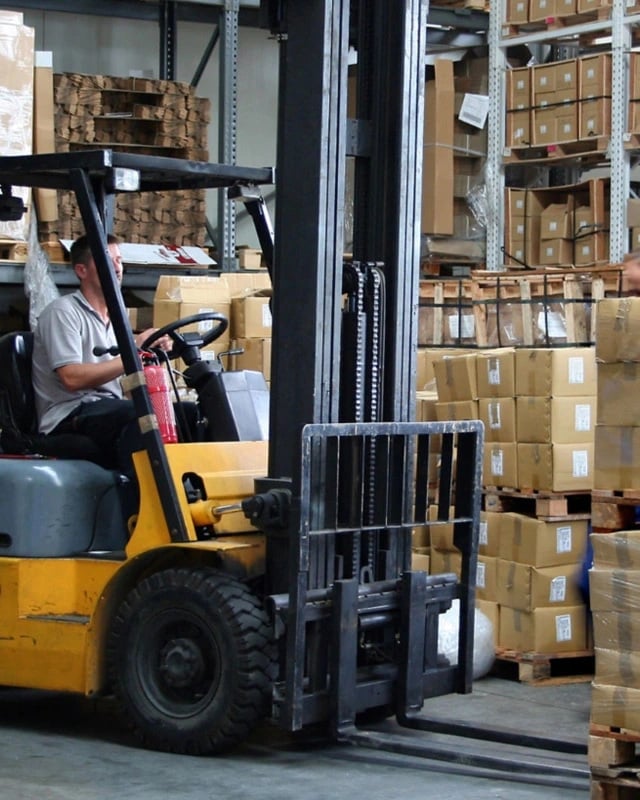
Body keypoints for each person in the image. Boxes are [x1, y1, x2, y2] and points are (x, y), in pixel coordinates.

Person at [32, 233, 170, 475]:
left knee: (186, 414)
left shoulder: (118, 319)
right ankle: (136, 503)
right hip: (70, 413)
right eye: (108, 261)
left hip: (106, 408)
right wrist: (134, 352)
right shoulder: (63, 312)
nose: (117, 268)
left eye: (119, 260)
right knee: (141, 416)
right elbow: (72, 378)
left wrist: (151, 357)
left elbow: (125, 383)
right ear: (82, 271)